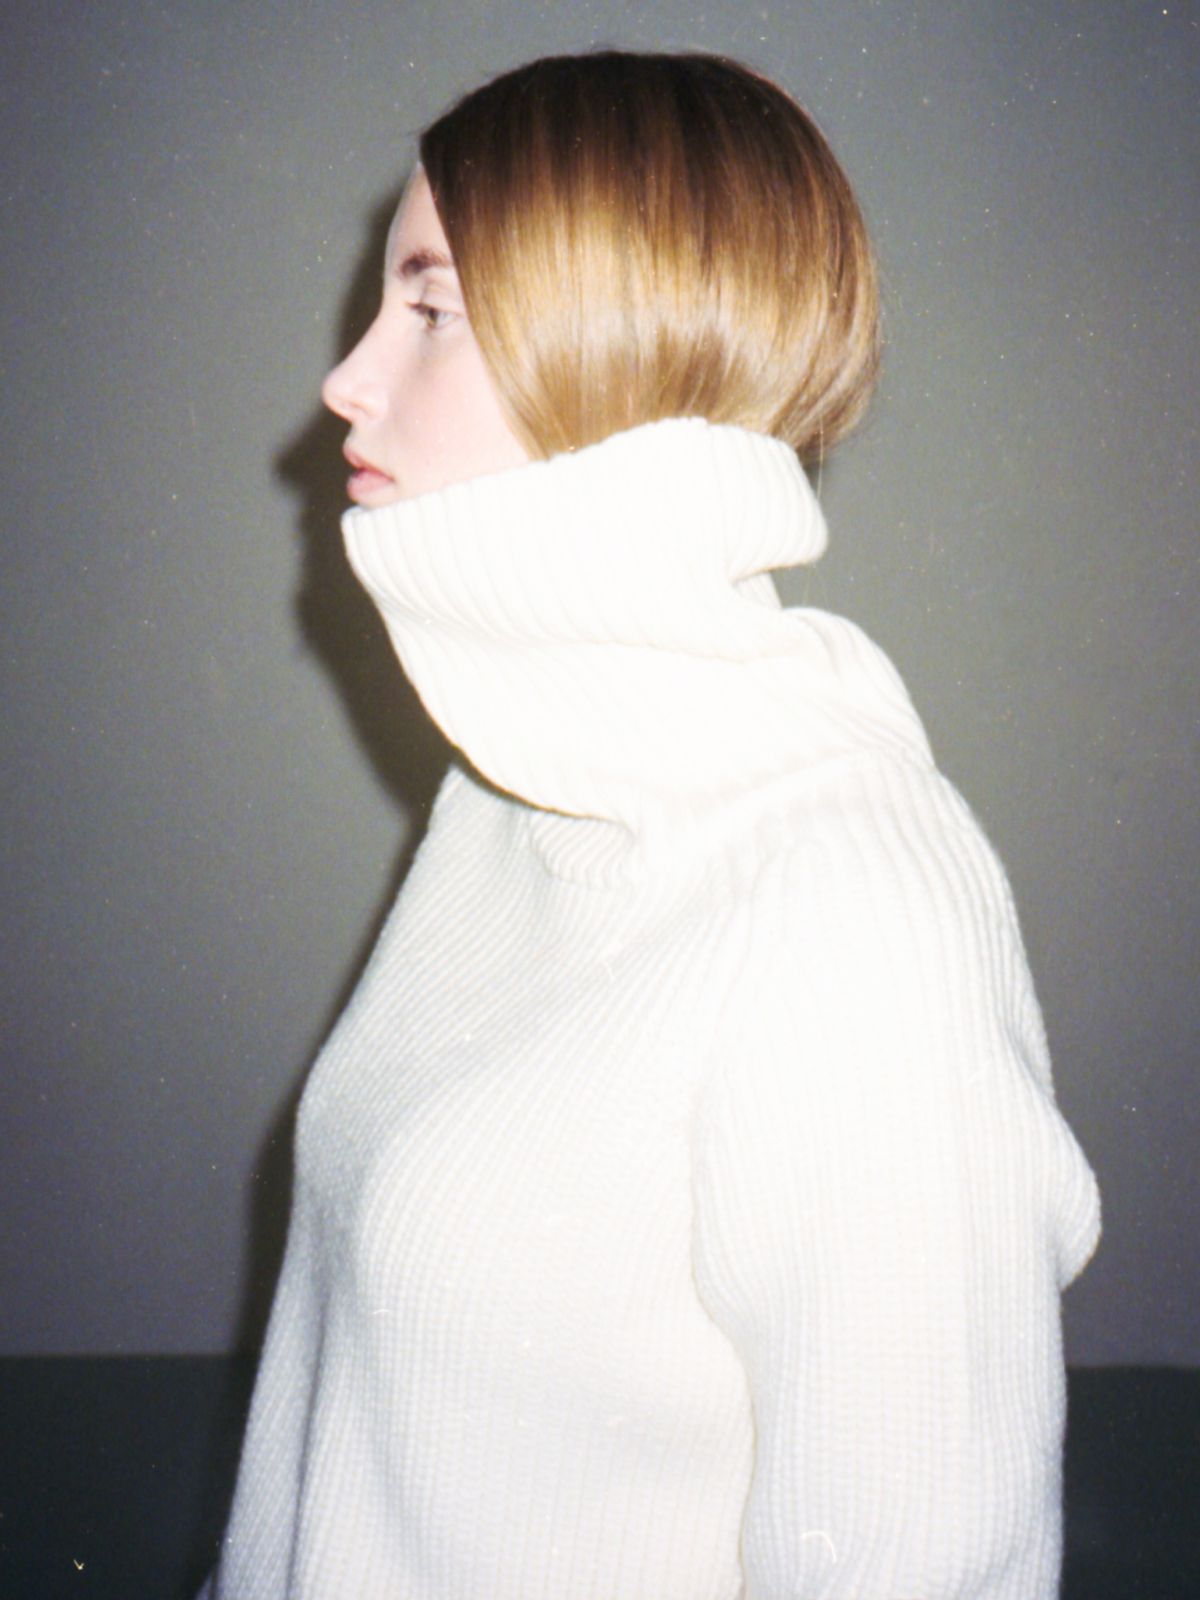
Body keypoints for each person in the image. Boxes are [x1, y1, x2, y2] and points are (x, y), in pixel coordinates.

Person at [205, 50, 1100, 1599]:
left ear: (619, 351)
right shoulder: (512, 786)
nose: (347, 381)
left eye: (428, 308)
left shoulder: (845, 897)